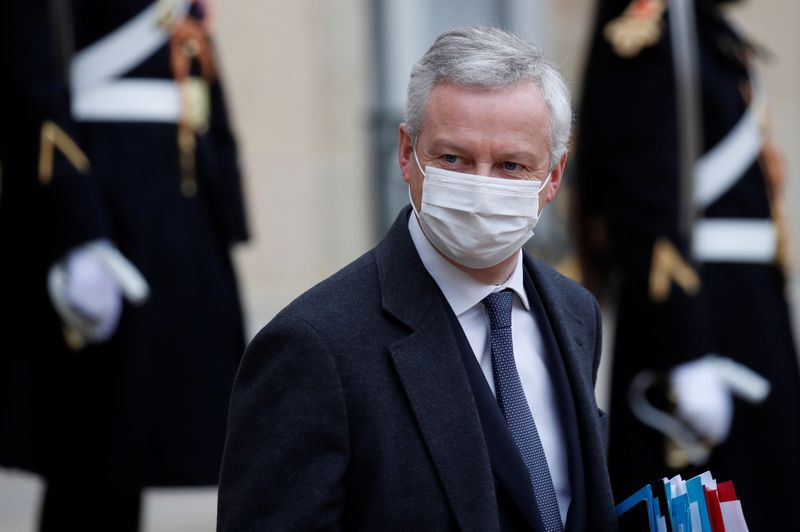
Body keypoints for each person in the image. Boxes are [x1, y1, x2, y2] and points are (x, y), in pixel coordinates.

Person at [218, 26, 618, 532]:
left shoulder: (575, 312)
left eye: (511, 165)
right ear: (407, 153)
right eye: (453, 159)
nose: (480, 188)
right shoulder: (313, 347)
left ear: (554, 175)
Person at [0, 1, 248, 530]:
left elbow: (197, 62)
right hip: (101, 203)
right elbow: (26, 84)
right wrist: (75, 229)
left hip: (176, 210)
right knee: (90, 454)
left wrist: (223, 197)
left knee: (135, 447)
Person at [575, 0, 800, 529]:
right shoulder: (654, 24)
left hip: (746, 315)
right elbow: (640, 198)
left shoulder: (705, 27)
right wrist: (684, 350)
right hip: (698, 321)